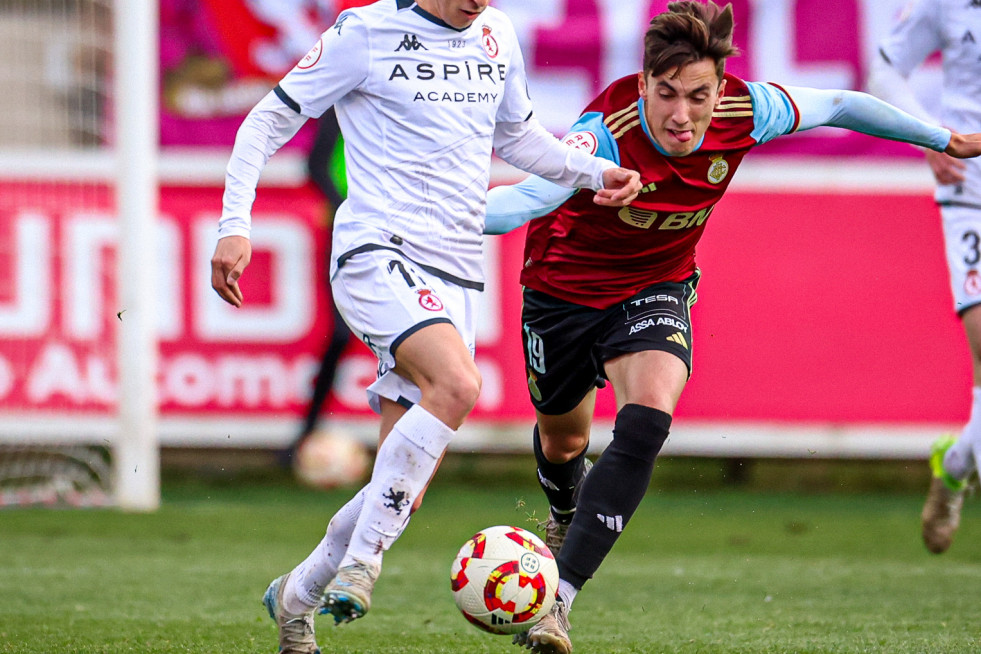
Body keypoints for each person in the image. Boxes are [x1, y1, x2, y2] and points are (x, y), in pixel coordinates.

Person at [482, 2, 981, 652]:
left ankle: (558, 605)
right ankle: (562, 515)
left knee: (648, 416)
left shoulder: (750, 110)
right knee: (563, 442)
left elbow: (840, 104)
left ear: (720, 90)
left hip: (654, 287)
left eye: (697, 95)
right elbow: (524, 199)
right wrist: (425, 219)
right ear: (642, 87)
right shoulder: (603, 132)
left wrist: (938, 137)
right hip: (561, 293)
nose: (681, 114)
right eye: (666, 95)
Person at [209, 1, 642, 652]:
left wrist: (591, 174)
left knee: (399, 486)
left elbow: (518, 138)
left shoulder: (496, 34)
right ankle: (362, 566)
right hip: (376, 251)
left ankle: (295, 597)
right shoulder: (365, 33)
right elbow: (269, 119)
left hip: (458, 273)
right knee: (457, 386)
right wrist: (233, 224)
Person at [867, 0, 981, 555]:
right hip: (972, 193)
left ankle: (955, 462)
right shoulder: (946, 4)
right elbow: (884, 68)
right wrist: (929, 134)